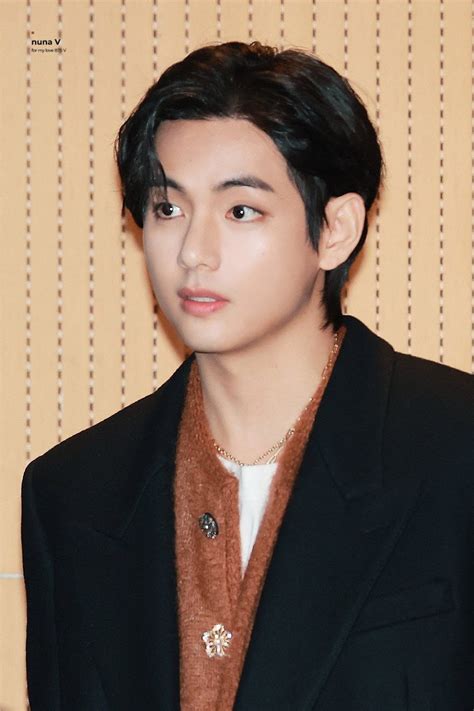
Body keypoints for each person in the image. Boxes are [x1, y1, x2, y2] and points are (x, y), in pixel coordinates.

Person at [22, 41, 473, 711]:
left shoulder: (455, 449)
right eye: (168, 208)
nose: (193, 253)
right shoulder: (73, 492)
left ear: (336, 229)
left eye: (240, 211)